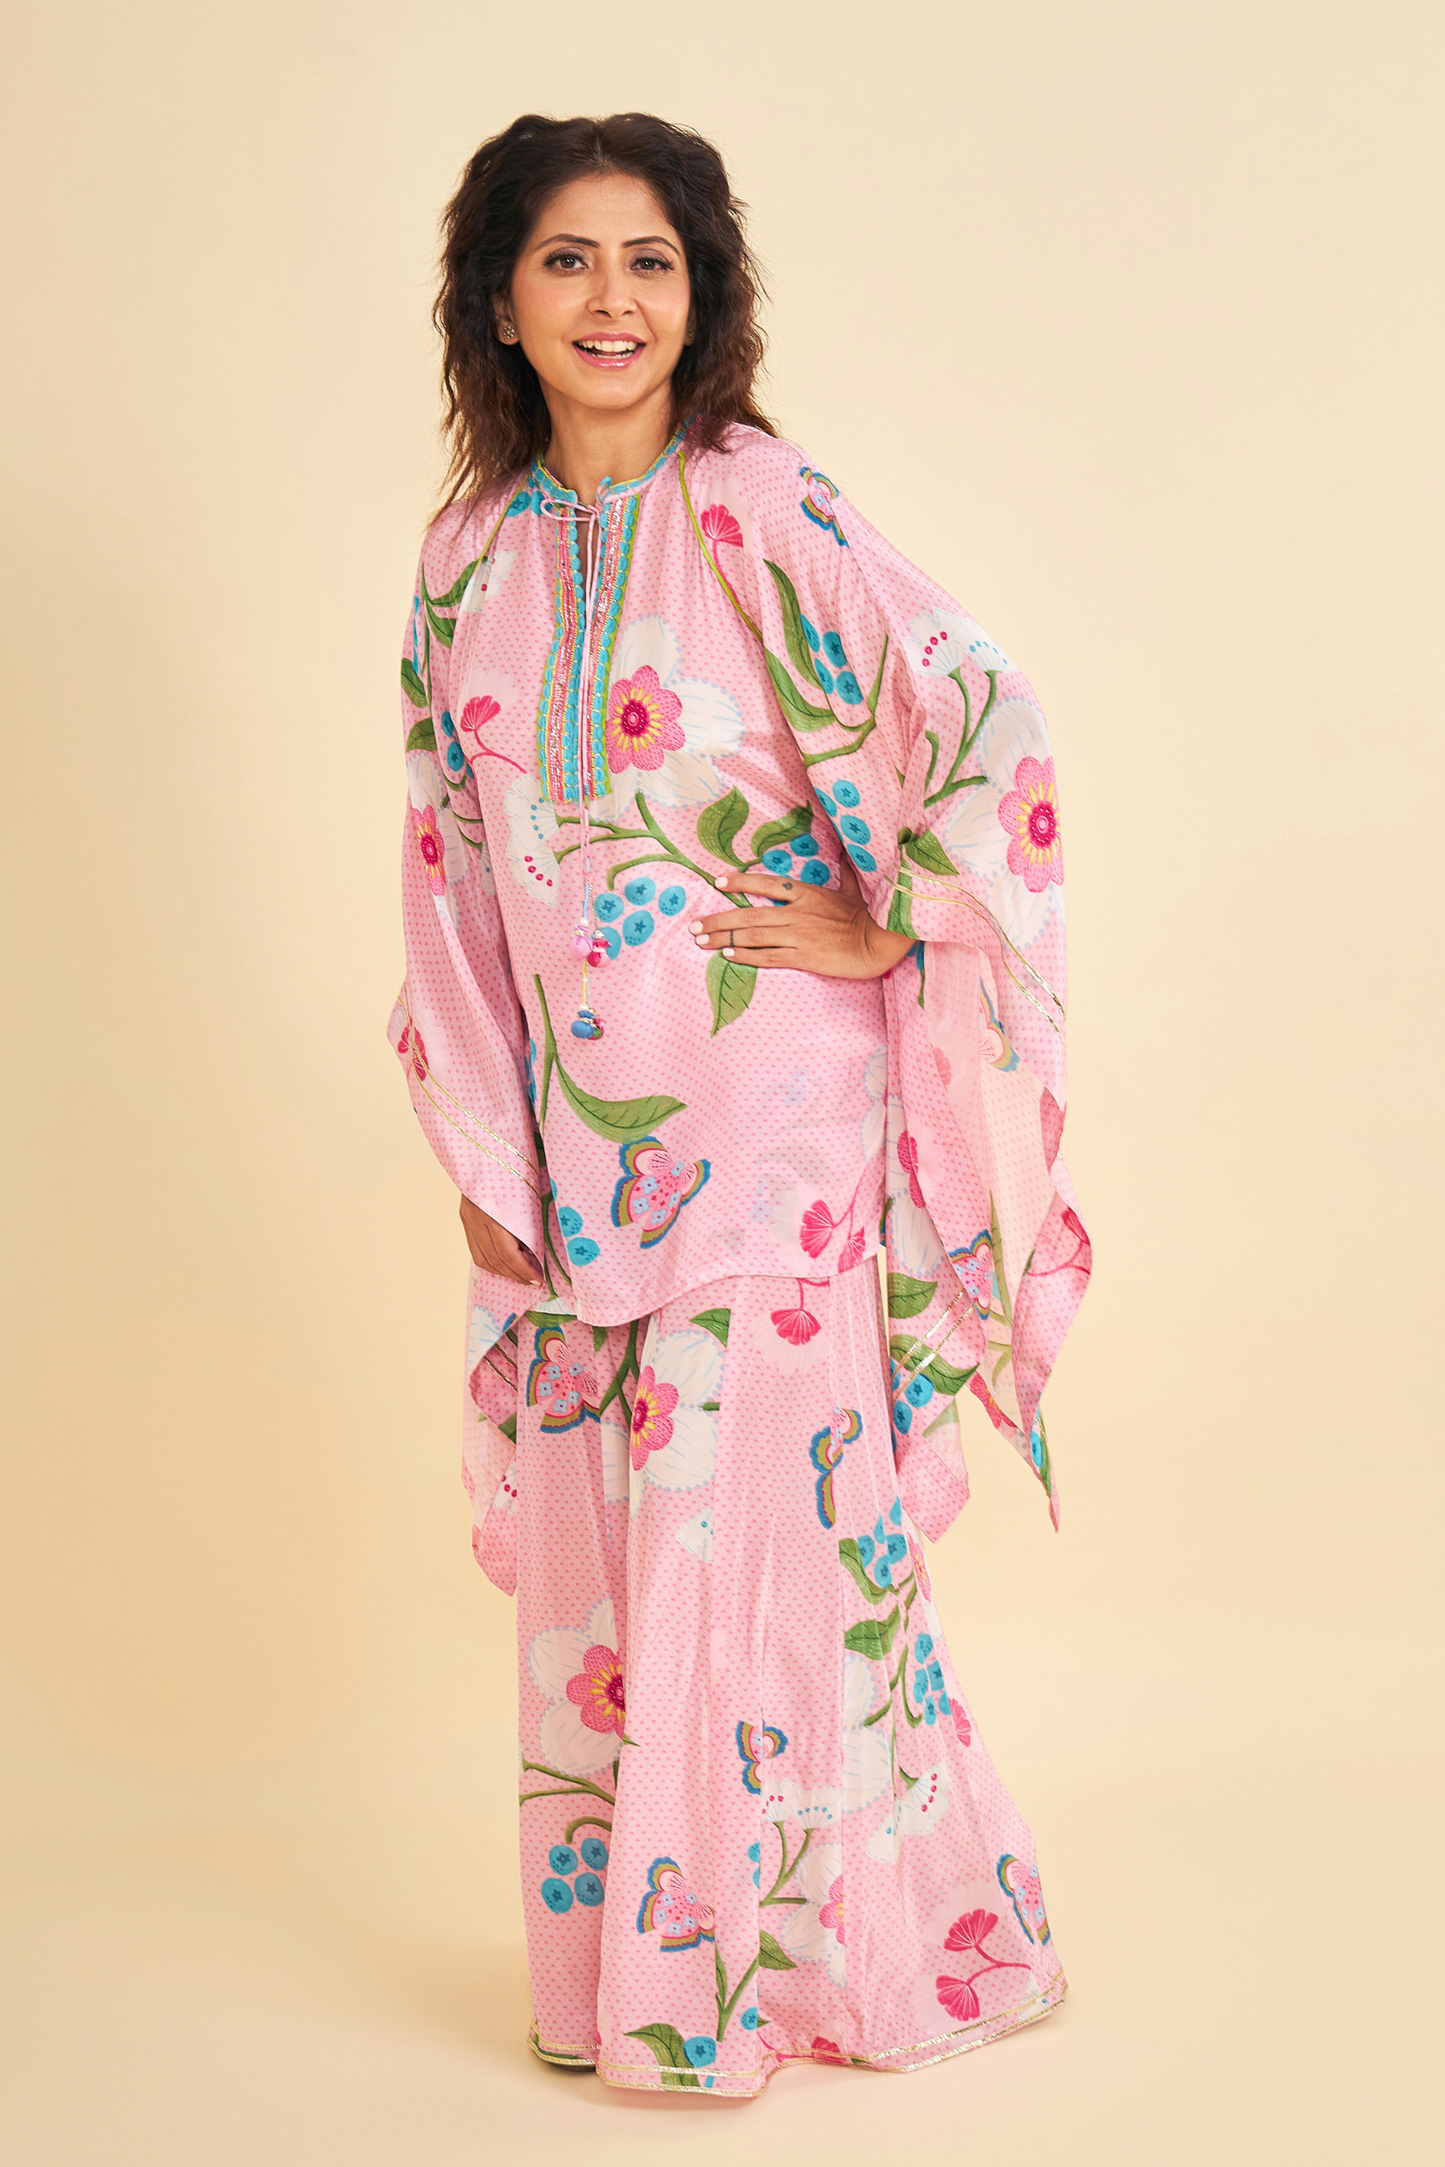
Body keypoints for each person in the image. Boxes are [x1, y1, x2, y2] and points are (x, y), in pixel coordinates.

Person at [391, 111, 1090, 2097]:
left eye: (653, 261)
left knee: (760, 1543)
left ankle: (764, 1989)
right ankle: (635, 1976)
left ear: (700, 300)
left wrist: (892, 919)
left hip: (779, 1118)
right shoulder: (464, 561)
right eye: (568, 260)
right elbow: (446, 862)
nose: (613, 299)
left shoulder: (757, 507)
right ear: (500, 303)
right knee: (613, 1561)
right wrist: (481, 1135)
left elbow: (980, 712)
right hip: (574, 1134)